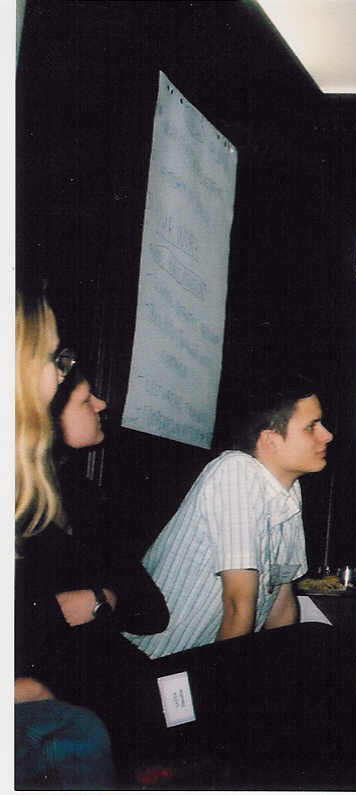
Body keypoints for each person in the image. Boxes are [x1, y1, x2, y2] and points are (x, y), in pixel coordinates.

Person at [124, 374, 333, 658]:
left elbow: (281, 604)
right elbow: (238, 603)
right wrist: (227, 682)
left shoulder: (288, 492)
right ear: (270, 440)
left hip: (199, 663)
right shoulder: (235, 472)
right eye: (311, 426)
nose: (327, 435)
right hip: (149, 664)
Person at [15, 288, 117, 789]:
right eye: (52, 357)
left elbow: (145, 603)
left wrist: (98, 598)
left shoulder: (69, 489)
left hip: (68, 665)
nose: (61, 373)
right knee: (78, 732)